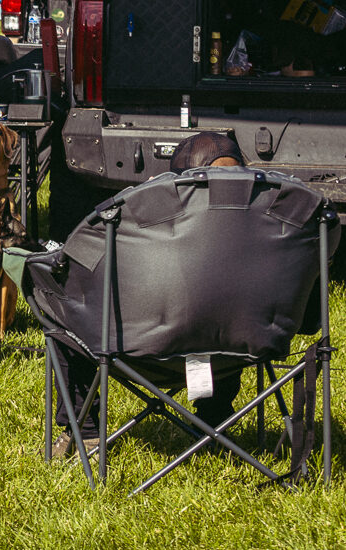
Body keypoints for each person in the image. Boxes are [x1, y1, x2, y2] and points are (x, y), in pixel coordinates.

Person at [49, 131, 248, 460]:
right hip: (237, 353)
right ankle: (213, 423)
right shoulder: (275, 233)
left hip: (143, 354)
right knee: (227, 313)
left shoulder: (138, 220)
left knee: (66, 315)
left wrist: (142, 196)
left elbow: (80, 256)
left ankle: (84, 433)